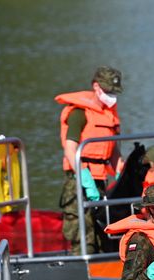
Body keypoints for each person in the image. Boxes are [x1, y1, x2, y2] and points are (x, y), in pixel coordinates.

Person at [55, 66, 125, 254]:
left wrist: (121, 171)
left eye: (114, 92)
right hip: (79, 180)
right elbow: (70, 147)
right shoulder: (79, 113)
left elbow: (113, 149)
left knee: (103, 230)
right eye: (108, 91)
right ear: (96, 86)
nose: (111, 96)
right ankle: (81, 268)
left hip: (101, 180)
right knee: (82, 231)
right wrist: (84, 178)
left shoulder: (110, 114)